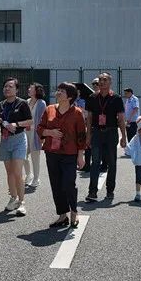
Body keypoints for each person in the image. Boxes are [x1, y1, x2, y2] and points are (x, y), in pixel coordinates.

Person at [38, 82, 87, 228]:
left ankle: (74, 211)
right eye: (58, 90)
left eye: (62, 91)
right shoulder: (49, 109)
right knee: (56, 184)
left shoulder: (77, 113)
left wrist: (80, 156)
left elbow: (81, 136)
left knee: (69, 183)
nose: (58, 93)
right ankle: (62, 215)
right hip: (52, 152)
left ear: (70, 97)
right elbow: (40, 128)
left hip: (69, 153)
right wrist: (49, 132)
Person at [84, 72, 126, 202]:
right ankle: (92, 192)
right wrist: (88, 135)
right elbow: (89, 118)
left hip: (111, 132)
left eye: (105, 80)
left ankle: (110, 190)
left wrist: (124, 137)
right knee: (95, 162)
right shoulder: (92, 97)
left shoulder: (116, 98)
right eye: (100, 80)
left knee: (112, 163)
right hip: (96, 132)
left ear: (110, 82)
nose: (102, 82)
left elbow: (121, 119)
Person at [0, 78, 33, 216]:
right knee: (9, 172)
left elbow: (30, 121)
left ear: (17, 90)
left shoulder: (22, 103)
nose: (7, 89)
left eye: (10, 86)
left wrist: (16, 124)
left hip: (19, 139)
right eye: (5, 86)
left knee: (17, 172)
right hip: (5, 140)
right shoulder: (1, 105)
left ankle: (22, 202)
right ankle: (13, 198)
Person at [23, 83, 47, 189]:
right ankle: (29, 175)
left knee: (35, 157)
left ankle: (36, 179)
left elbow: (43, 120)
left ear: (37, 90)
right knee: (23, 155)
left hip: (35, 133)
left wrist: (42, 136)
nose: (29, 89)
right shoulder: (27, 101)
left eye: (31, 88)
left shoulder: (41, 103)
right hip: (25, 132)